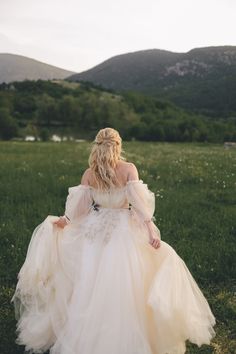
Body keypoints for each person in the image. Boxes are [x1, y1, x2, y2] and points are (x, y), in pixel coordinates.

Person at [11, 127, 216, 354]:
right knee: (126, 281)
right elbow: (139, 205)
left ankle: (85, 334)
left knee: (88, 281)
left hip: (94, 230)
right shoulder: (128, 169)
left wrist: (65, 220)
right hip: (122, 229)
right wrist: (150, 232)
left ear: (97, 145)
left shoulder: (90, 173)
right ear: (118, 145)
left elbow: (80, 207)